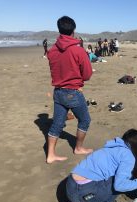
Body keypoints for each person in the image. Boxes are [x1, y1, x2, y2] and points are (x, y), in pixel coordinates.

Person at [46, 16, 93, 164]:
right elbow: (87, 74)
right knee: (85, 119)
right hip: (72, 91)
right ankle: (78, 148)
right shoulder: (78, 51)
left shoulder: (52, 50)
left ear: (59, 30)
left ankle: (51, 155)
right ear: (73, 30)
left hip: (58, 91)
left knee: (57, 124)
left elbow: (55, 69)